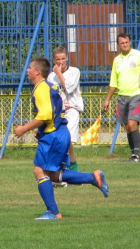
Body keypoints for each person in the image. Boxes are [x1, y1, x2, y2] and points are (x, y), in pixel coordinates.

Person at [14, 57, 108, 220]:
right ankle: (93, 177)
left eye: (29, 68)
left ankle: (53, 212)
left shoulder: (41, 88)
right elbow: (54, 111)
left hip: (54, 135)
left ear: (37, 71)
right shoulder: (49, 86)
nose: (27, 70)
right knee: (53, 174)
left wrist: (23, 129)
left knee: (39, 170)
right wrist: (41, 130)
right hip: (59, 132)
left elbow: (45, 114)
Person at [102, 33, 140, 162]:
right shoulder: (117, 60)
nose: (125, 45)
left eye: (126, 42)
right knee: (127, 126)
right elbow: (113, 82)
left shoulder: (138, 55)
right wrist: (107, 99)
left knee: (132, 123)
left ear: (130, 42)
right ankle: (133, 154)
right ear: (118, 45)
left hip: (136, 95)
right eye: (122, 43)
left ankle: (137, 154)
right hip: (122, 96)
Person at [47, 46, 83, 172]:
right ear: (54, 60)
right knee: (63, 143)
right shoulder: (51, 77)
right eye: (58, 59)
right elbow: (51, 96)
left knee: (66, 143)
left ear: (67, 58)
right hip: (59, 112)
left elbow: (68, 87)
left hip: (72, 110)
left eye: (63, 58)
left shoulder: (75, 72)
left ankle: (63, 171)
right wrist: (60, 105)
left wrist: (59, 73)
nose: (60, 62)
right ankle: (72, 170)